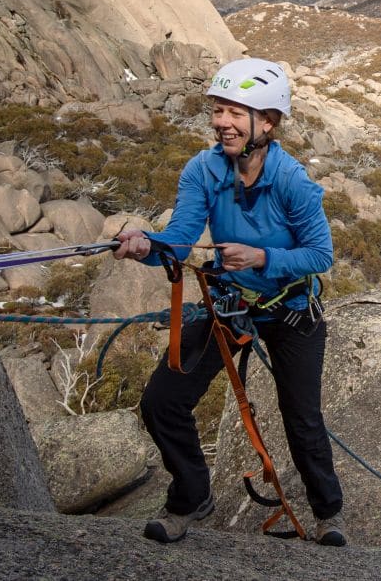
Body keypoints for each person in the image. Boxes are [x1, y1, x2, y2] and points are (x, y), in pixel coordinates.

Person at [113, 58, 345, 546]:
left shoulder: (292, 181)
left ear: (269, 122)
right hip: (230, 302)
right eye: (219, 110)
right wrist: (145, 246)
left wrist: (263, 256)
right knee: (162, 402)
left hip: (291, 308)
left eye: (236, 112)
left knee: (301, 416)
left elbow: (320, 254)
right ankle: (191, 495)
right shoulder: (203, 170)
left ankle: (328, 514)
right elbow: (179, 241)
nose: (223, 122)